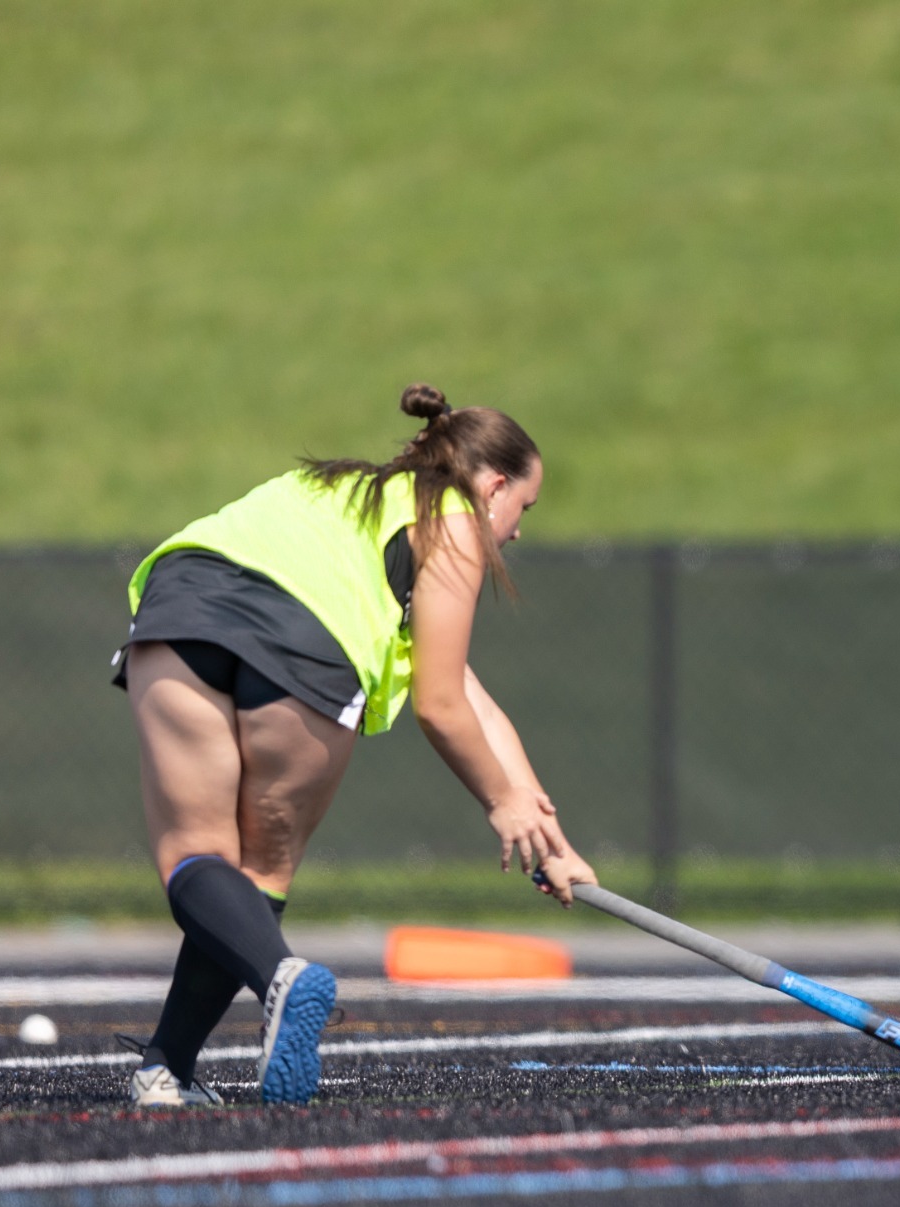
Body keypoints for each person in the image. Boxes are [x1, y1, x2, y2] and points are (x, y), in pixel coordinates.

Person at [113, 384, 596, 1107]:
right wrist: (499, 803)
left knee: (196, 855)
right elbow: (438, 702)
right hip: (305, 648)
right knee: (263, 870)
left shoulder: (332, 488)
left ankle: (166, 1069)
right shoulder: (456, 521)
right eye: (523, 508)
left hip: (182, 611)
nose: (517, 531)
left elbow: (468, 694)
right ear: (493, 485)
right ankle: (277, 978)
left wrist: (545, 831)